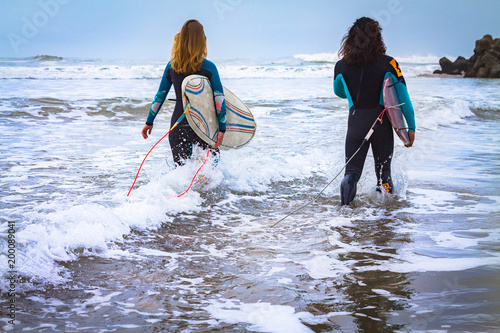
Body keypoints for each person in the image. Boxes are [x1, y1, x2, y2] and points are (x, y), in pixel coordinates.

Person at [333, 17, 415, 205]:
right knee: (384, 175)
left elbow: (339, 92)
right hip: (381, 124)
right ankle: (385, 217)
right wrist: (411, 128)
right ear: (378, 39)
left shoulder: (341, 66)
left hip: (355, 123)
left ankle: (344, 211)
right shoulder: (389, 63)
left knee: (351, 173)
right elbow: (404, 99)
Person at [141, 19, 226, 166]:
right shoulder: (209, 67)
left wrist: (149, 121)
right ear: (202, 41)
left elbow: (160, 96)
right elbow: (219, 100)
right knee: (209, 172)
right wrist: (222, 129)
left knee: (182, 173)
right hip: (205, 126)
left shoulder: (172, 66)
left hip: (179, 125)